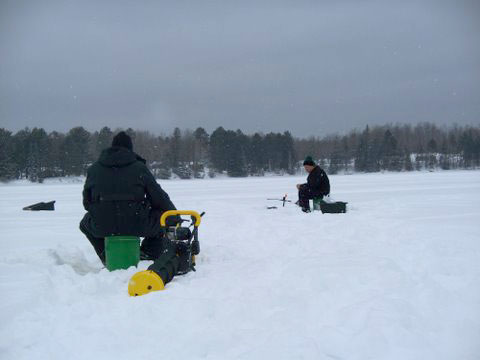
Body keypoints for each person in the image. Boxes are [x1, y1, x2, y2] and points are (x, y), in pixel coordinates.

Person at [79, 131, 178, 264]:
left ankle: (106, 255)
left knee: (84, 224)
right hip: (137, 223)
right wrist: (174, 216)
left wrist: (102, 211)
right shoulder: (139, 168)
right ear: (130, 149)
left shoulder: (93, 169)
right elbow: (159, 198)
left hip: (102, 225)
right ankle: (147, 253)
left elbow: (87, 202)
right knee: (163, 220)